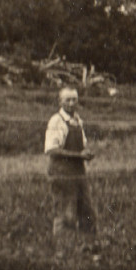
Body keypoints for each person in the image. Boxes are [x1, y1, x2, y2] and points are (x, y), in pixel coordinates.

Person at [44, 86, 96, 235]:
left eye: (75, 99)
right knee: (66, 214)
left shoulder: (78, 121)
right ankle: (63, 250)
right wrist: (79, 156)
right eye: (68, 99)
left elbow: (82, 145)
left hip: (79, 173)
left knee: (87, 212)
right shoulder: (56, 121)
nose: (72, 103)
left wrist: (87, 153)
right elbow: (51, 150)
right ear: (60, 101)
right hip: (61, 173)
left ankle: (88, 247)